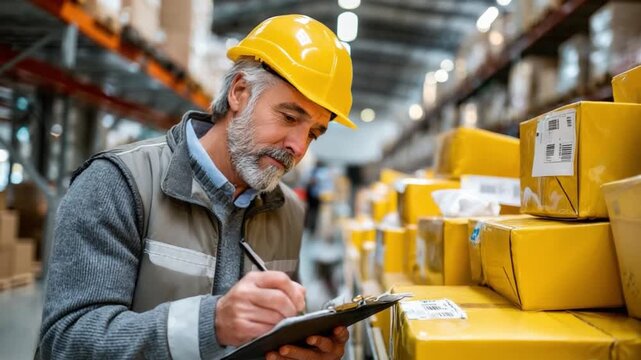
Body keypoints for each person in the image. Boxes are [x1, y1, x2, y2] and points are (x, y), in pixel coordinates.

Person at [37, 14, 356, 360]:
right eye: (289, 117)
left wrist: (303, 348)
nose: (298, 146)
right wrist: (211, 324)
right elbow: (66, 342)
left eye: (313, 133)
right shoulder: (118, 183)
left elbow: (271, 334)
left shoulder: (288, 212)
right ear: (239, 93)